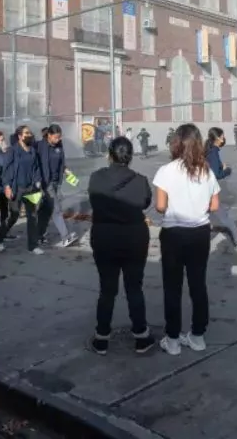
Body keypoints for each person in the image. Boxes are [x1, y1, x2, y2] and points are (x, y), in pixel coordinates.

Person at [153, 124, 221, 356]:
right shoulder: (206, 171)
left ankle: (172, 339)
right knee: (198, 285)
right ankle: (197, 336)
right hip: (200, 232)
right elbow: (214, 205)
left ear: (176, 143)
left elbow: (160, 206)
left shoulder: (166, 171)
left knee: (172, 287)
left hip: (173, 233)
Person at [89, 137, 156, 355]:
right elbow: (145, 202)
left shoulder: (96, 178)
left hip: (104, 236)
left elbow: (94, 200)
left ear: (110, 155)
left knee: (107, 289)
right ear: (130, 156)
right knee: (134, 287)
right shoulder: (140, 180)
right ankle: (141, 335)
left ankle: (101, 338)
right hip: (133, 237)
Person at [0, 125, 44, 254]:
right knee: (14, 215)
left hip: (30, 188)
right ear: (20, 136)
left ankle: (33, 246)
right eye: (26, 133)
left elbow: (36, 168)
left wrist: (38, 182)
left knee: (32, 216)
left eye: (30, 133)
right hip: (16, 188)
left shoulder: (33, 150)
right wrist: (7, 186)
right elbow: (6, 170)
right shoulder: (12, 151)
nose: (30, 135)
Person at [206, 127, 237, 247]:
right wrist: (227, 170)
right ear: (217, 138)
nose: (224, 138)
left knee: (206, 216)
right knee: (224, 216)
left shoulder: (209, 150)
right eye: (222, 136)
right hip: (209, 191)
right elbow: (216, 174)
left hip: (205, 190)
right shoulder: (213, 153)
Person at [35, 124, 75, 248]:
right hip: (46, 183)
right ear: (49, 135)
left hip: (56, 182)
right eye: (56, 137)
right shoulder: (40, 146)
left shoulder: (59, 146)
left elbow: (61, 162)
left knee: (45, 211)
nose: (58, 139)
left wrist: (66, 170)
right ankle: (65, 237)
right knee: (56, 209)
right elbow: (35, 164)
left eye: (59, 137)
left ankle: (38, 236)